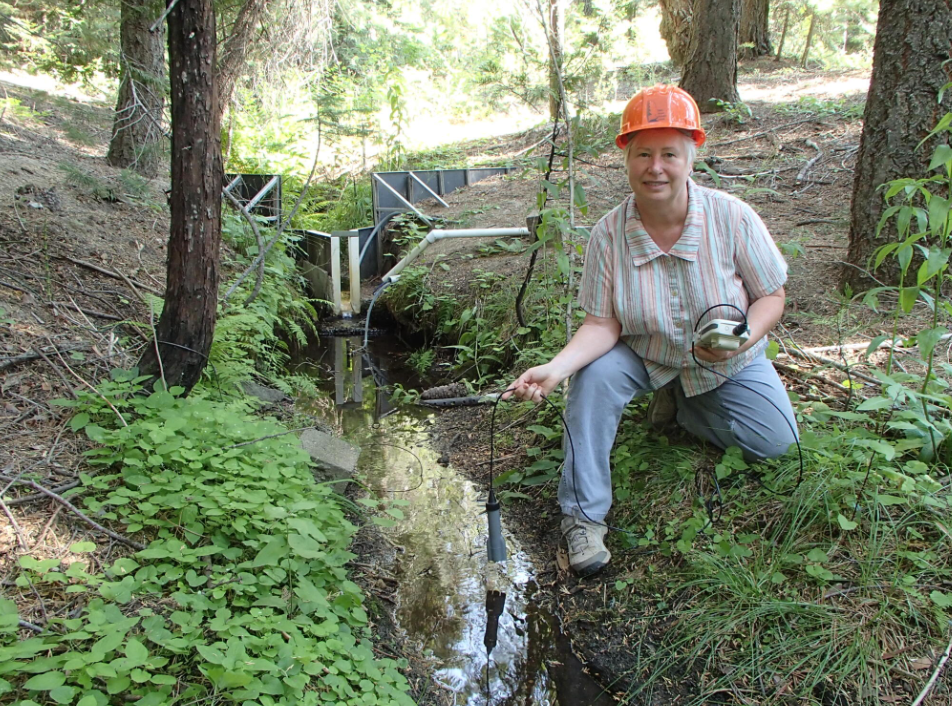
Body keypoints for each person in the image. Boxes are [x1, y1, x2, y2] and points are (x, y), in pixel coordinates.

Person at [503, 85, 798, 577]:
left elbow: (773, 295)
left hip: (724, 356)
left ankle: (682, 406)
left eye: (669, 153)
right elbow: (602, 324)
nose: (655, 167)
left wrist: (745, 338)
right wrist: (556, 368)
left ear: (691, 156)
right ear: (626, 157)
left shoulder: (731, 216)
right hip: (644, 353)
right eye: (643, 153)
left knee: (776, 445)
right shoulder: (607, 234)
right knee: (592, 379)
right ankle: (583, 517)